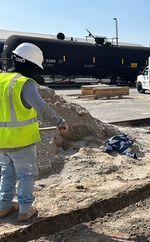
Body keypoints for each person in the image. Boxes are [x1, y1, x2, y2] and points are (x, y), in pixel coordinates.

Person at [0, 43, 68, 222]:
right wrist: (60, 122)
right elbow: (43, 109)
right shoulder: (25, 83)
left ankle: (3, 207)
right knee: (27, 175)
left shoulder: (1, 79)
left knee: (7, 173)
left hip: (1, 141)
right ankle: (25, 210)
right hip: (20, 141)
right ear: (30, 65)